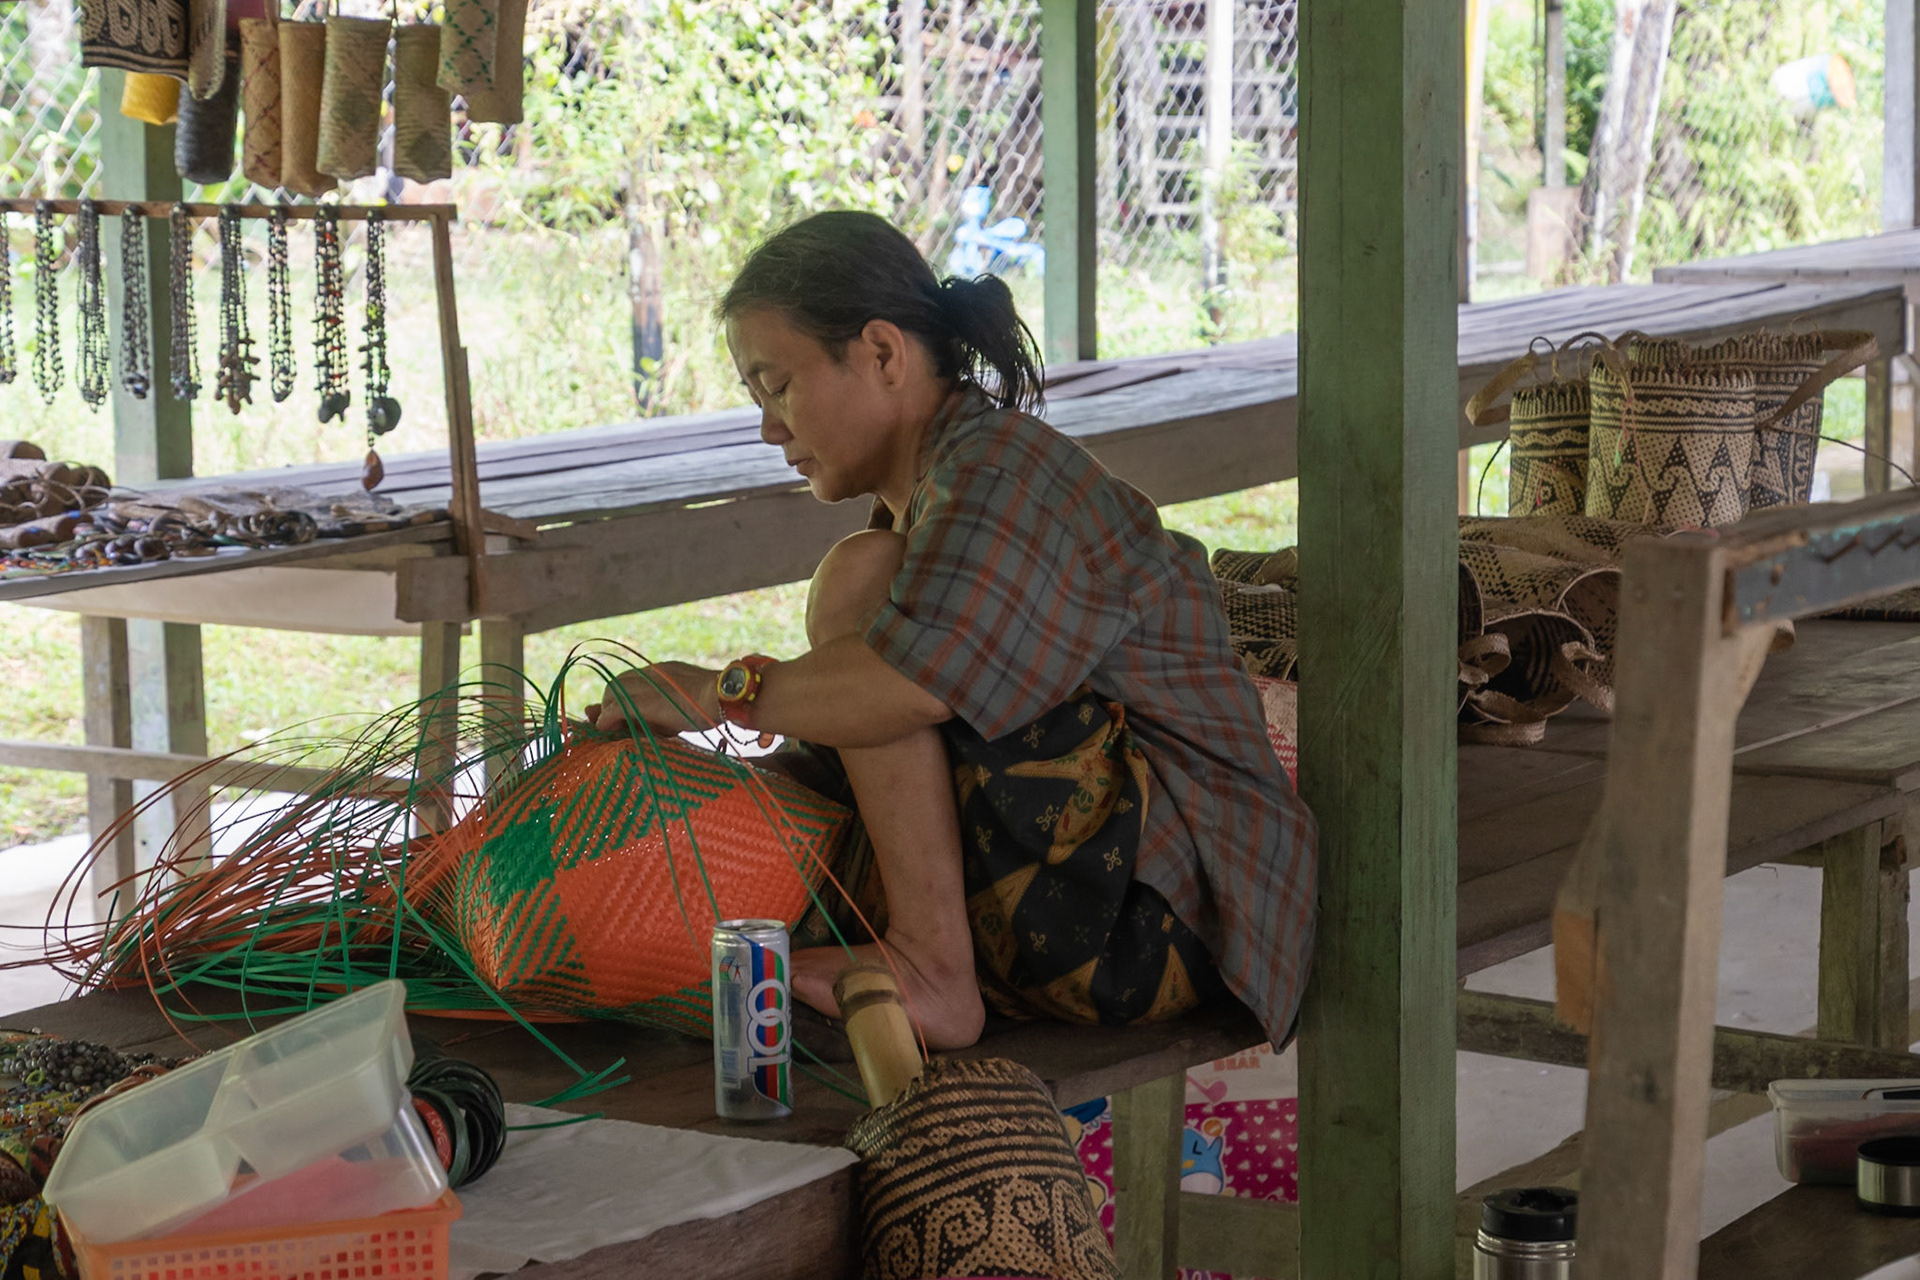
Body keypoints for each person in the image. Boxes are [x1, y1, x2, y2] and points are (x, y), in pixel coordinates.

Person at [589, 211, 1316, 1051]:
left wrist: (719, 693)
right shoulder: (939, 484)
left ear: (884, 355)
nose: (770, 429)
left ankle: (931, 970)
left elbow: (901, 688)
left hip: (1166, 918)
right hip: (1089, 903)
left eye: (778, 387)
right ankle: (923, 955)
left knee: (861, 591)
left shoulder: (998, 474)